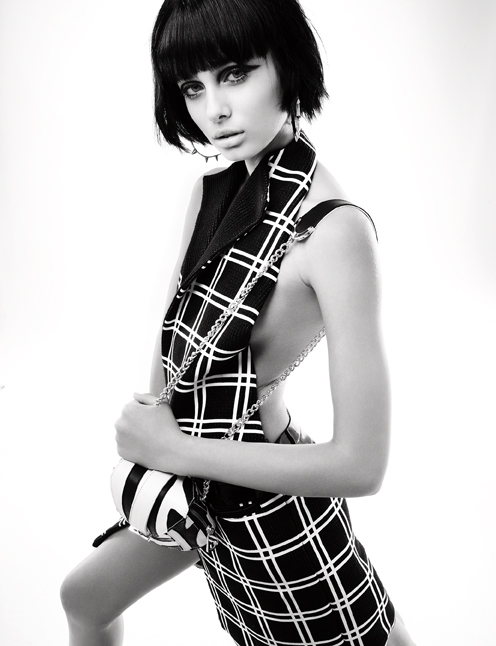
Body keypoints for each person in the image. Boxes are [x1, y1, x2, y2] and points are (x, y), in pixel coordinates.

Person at [60, 1, 416, 644]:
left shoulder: (334, 230)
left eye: (235, 74)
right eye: (192, 87)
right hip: (192, 492)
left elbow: (363, 465)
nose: (214, 110)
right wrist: (154, 445)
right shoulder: (213, 189)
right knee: (83, 597)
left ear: (288, 63)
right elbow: (175, 330)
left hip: (271, 514)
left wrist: (171, 449)